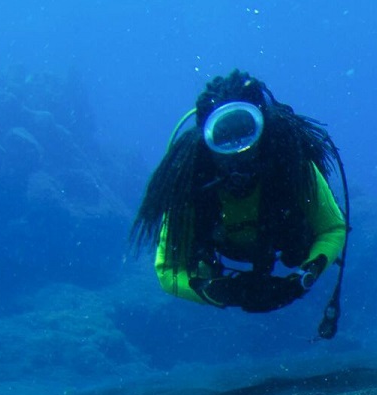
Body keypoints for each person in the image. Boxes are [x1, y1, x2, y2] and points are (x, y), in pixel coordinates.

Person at [131, 71, 350, 336]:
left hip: (283, 237)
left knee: (299, 243)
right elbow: (168, 269)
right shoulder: (190, 182)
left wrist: (302, 277)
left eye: (245, 132)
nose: (238, 150)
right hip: (221, 247)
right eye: (224, 136)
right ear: (206, 139)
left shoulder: (293, 164)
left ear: (263, 129)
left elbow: (332, 227)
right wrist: (220, 292)